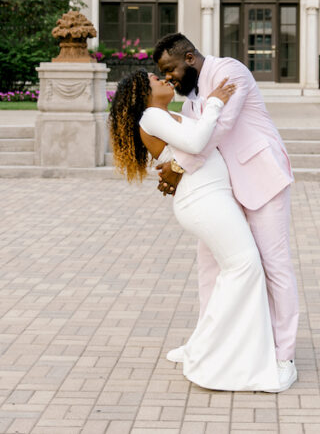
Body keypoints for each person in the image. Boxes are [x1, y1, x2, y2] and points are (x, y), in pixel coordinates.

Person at [107, 70, 286, 392]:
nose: (163, 78)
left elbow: (195, 149)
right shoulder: (150, 116)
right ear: (141, 93)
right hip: (202, 200)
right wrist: (215, 104)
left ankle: (207, 347)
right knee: (244, 268)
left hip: (214, 198)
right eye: (154, 78)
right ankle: (215, 358)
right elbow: (195, 142)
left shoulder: (169, 114)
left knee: (237, 270)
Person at [152, 33, 298, 390]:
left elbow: (220, 127)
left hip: (261, 177)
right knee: (210, 267)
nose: (169, 77)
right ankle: (205, 345)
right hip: (223, 190)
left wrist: (179, 167)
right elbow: (190, 131)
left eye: (169, 69)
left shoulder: (229, 72)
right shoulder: (190, 100)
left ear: (189, 57)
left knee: (274, 266)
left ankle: (284, 357)